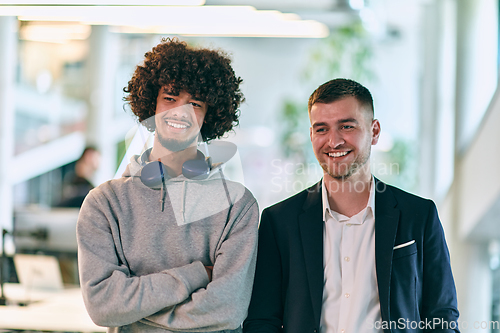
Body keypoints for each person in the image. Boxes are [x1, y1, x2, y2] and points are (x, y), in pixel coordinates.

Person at [243, 78, 459, 333]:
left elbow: (441, 316)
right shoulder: (278, 221)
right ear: (311, 135)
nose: (333, 142)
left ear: (374, 131)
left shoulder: (419, 215)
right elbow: (261, 320)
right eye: (321, 129)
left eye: (346, 126)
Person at [77, 38, 259, 333]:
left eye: (195, 103)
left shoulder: (236, 205)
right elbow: (103, 305)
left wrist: (133, 312)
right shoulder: (105, 203)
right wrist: (195, 275)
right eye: (170, 99)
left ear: (209, 115)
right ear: (152, 103)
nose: (180, 112)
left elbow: (227, 309)